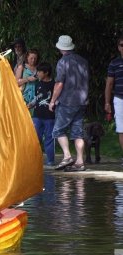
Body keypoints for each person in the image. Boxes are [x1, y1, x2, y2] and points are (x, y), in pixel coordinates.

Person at [49, 35, 89, 172]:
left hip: (67, 100)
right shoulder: (83, 61)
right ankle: (80, 162)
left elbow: (59, 83)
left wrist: (52, 101)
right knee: (77, 133)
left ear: (60, 48)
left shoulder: (62, 62)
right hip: (82, 101)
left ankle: (67, 156)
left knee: (58, 130)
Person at [28, 62, 55, 166]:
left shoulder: (54, 84)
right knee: (35, 138)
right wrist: (31, 104)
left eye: (39, 71)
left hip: (49, 116)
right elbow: (37, 97)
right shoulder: (38, 84)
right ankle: (34, 160)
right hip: (37, 115)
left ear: (46, 73)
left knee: (49, 138)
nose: (37, 73)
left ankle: (50, 161)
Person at [105, 35, 123, 162]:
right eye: (122, 45)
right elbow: (109, 84)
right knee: (121, 129)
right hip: (119, 99)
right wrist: (107, 102)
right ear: (119, 47)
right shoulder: (114, 63)